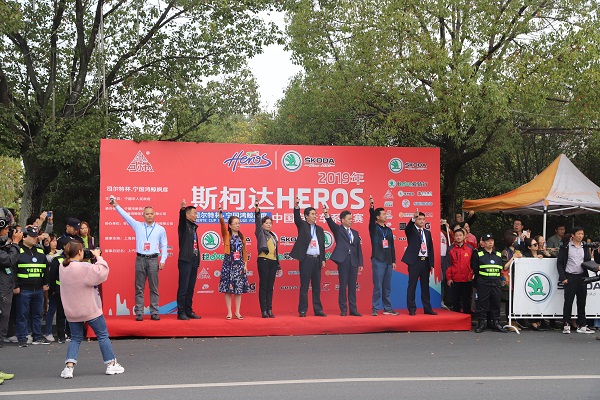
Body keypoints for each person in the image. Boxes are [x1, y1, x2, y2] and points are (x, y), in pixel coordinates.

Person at [59, 241, 124, 378]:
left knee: (75, 338)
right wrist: (98, 256)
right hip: (90, 309)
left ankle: (69, 368)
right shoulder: (84, 267)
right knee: (102, 335)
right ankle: (111, 364)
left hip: (72, 311)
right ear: (79, 252)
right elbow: (102, 273)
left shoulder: (62, 266)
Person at [110, 197, 168, 321]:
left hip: (153, 260)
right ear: (143, 215)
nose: (149, 215)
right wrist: (116, 205)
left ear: (154, 214)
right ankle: (139, 312)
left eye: (151, 213)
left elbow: (164, 245)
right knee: (139, 287)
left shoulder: (160, 229)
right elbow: (126, 216)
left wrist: (163, 260)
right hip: (140, 259)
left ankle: (154, 312)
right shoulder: (137, 225)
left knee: (154, 288)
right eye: (147, 214)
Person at [324, 206, 364, 317]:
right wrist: (327, 215)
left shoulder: (355, 233)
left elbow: (358, 249)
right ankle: (343, 309)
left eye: (352, 218)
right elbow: (331, 224)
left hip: (354, 261)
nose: (351, 220)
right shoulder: (339, 230)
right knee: (343, 285)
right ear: (342, 220)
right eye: (349, 219)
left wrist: (360, 263)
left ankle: (353, 309)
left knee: (352, 286)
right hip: (343, 260)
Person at [290, 198, 326, 317]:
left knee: (316, 287)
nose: (315, 216)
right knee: (304, 286)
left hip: (317, 259)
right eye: (313, 214)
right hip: (306, 259)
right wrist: (296, 207)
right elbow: (296, 218)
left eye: (316, 214)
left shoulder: (319, 229)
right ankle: (302, 310)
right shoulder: (303, 225)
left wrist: (323, 259)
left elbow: (322, 245)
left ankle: (318, 310)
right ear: (306, 216)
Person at [15, 226, 51, 346]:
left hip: (38, 289)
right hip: (23, 289)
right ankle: (22, 338)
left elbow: (46, 269)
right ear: (24, 237)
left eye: (36, 236)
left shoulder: (40, 251)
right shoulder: (18, 250)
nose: (35, 239)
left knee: (37, 315)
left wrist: (46, 283)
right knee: (22, 315)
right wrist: (15, 286)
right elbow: (13, 270)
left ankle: (37, 337)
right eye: (32, 237)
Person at [557, 226, 595, 334]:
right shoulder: (565, 247)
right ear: (573, 235)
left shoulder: (585, 247)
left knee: (582, 302)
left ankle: (582, 325)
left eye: (582, 234)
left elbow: (588, 261)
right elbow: (560, 263)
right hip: (570, 276)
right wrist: (563, 277)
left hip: (582, 276)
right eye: (578, 234)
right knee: (568, 301)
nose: (580, 236)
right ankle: (566, 324)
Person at [402, 210, 437, 316]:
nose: (422, 221)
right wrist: (413, 218)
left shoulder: (427, 233)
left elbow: (430, 249)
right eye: (419, 219)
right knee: (412, 285)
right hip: (415, 262)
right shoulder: (411, 231)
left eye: (423, 219)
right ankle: (412, 308)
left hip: (425, 262)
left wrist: (431, 264)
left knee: (425, 286)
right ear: (416, 220)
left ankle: (427, 308)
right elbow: (408, 228)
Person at [368, 196, 398, 316]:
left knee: (387, 287)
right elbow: (371, 219)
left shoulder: (389, 230)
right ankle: (375, 309)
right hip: (378, 259)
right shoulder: (373, 228)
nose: (386, 216)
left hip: (388, 261)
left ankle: (388, 308)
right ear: (377, 217)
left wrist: (393, 260)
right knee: (378, 286)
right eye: (384, 214)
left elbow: (392, 246)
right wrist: (371, 207)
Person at [218, 207, 249, 319]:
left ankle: (237, 312)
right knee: (227, 290)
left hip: (239, 265)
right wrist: (220, 216)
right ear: (230, 225)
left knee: (238, 290)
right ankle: (229, 312)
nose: (237, 225)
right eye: (235, 223)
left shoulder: (242, 237)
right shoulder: (227, 235)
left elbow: (244, 252)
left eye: (238, 223)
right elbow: (222, 226)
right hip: (228, 265)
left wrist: (245, 265)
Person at [472, 233, 507, 333]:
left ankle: (496, 323)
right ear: (483, 243)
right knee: (482, 304)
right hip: (483, 283)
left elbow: (501, 269)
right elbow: (475, 268)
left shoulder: (498, 255)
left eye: (492, 240)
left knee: (496, 303)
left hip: (496, 283)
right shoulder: (478, 254)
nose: (490, 242)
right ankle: (481, 323)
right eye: (488, 241)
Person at [0, 208, 22, 348]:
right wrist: (15, 244)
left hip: (5, 287)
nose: (8, 231)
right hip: (2, 290)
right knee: (2, 317)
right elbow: (8, 260)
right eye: (7, 228)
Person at [254, 202, 280, 318]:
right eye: (266, 223)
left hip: (273, 262)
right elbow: (257, 222)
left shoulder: (273, 235)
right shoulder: (260, 233)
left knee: (270, 287)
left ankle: (270, 309)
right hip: (263, 260)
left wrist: (278, 264)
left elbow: (276, 251)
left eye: (270, 223)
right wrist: (257, 212)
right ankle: (263, 310)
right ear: (262, 224)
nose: (269, 225)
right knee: (263, 286)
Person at [176, 200, 201, 320]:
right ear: (187, 215)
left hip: (194, 260)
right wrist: (182, 210)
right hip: (185, 261)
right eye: (194, 213)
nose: (196, 215)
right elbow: (181, 219)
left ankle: (188, 310)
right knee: (184, 288)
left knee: (191, 288)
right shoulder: (184, 226)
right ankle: (181, 312)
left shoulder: (193, 227)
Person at [445, 228, 474, 314]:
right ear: (454, 237)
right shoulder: (450, 249)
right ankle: (456, 318)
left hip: (467, 279)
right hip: (455, 279)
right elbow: (448, 264)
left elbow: (473, 263)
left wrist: (472, 275)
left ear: (464, 236)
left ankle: (467, 318)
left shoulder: (470, 248)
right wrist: (449, 278)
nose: (458, 237)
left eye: (460, 235)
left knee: (467, 300)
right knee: (455, 300)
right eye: (457, 236)